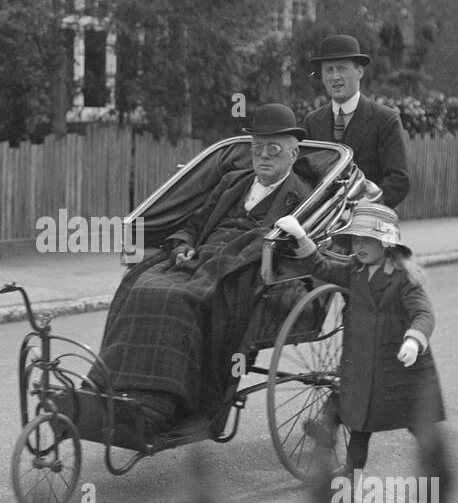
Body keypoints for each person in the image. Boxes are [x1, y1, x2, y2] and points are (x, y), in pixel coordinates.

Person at [93, 103, 317, 435]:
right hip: (198, 257)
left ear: (293, 153)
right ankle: (113, 390)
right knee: (138, 283)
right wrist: (183, 245)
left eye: (274, 149)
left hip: (239, 268)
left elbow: (285, 248)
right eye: (257, 149)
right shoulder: (232, 182)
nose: (264, 157)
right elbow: (195, 222)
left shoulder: (301, 196)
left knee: (181, 299)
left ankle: (162, 405)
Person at [269, 202, 445, 496]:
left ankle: (437, 469)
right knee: (360, 429)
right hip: (363, 367)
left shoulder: (404, 279)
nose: (359, 246)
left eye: (368, 240)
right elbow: (321, 267)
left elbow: (424, 314)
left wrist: (414, 340)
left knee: (417, 423)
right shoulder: (355, 271)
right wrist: (300, 236)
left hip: (399, 367)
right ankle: (349, 489)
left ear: (386, 244)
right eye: (356, 240)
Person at [302, 34, 411, 210]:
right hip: (320, 226)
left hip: (366, 222)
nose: (335, 77)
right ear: (322, 76)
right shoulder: (312, 121)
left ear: (359, 72)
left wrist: (367, 205)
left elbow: (399, 180)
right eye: (329, 70)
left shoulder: (385, 119)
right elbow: (304, 176)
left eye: (342, 68)